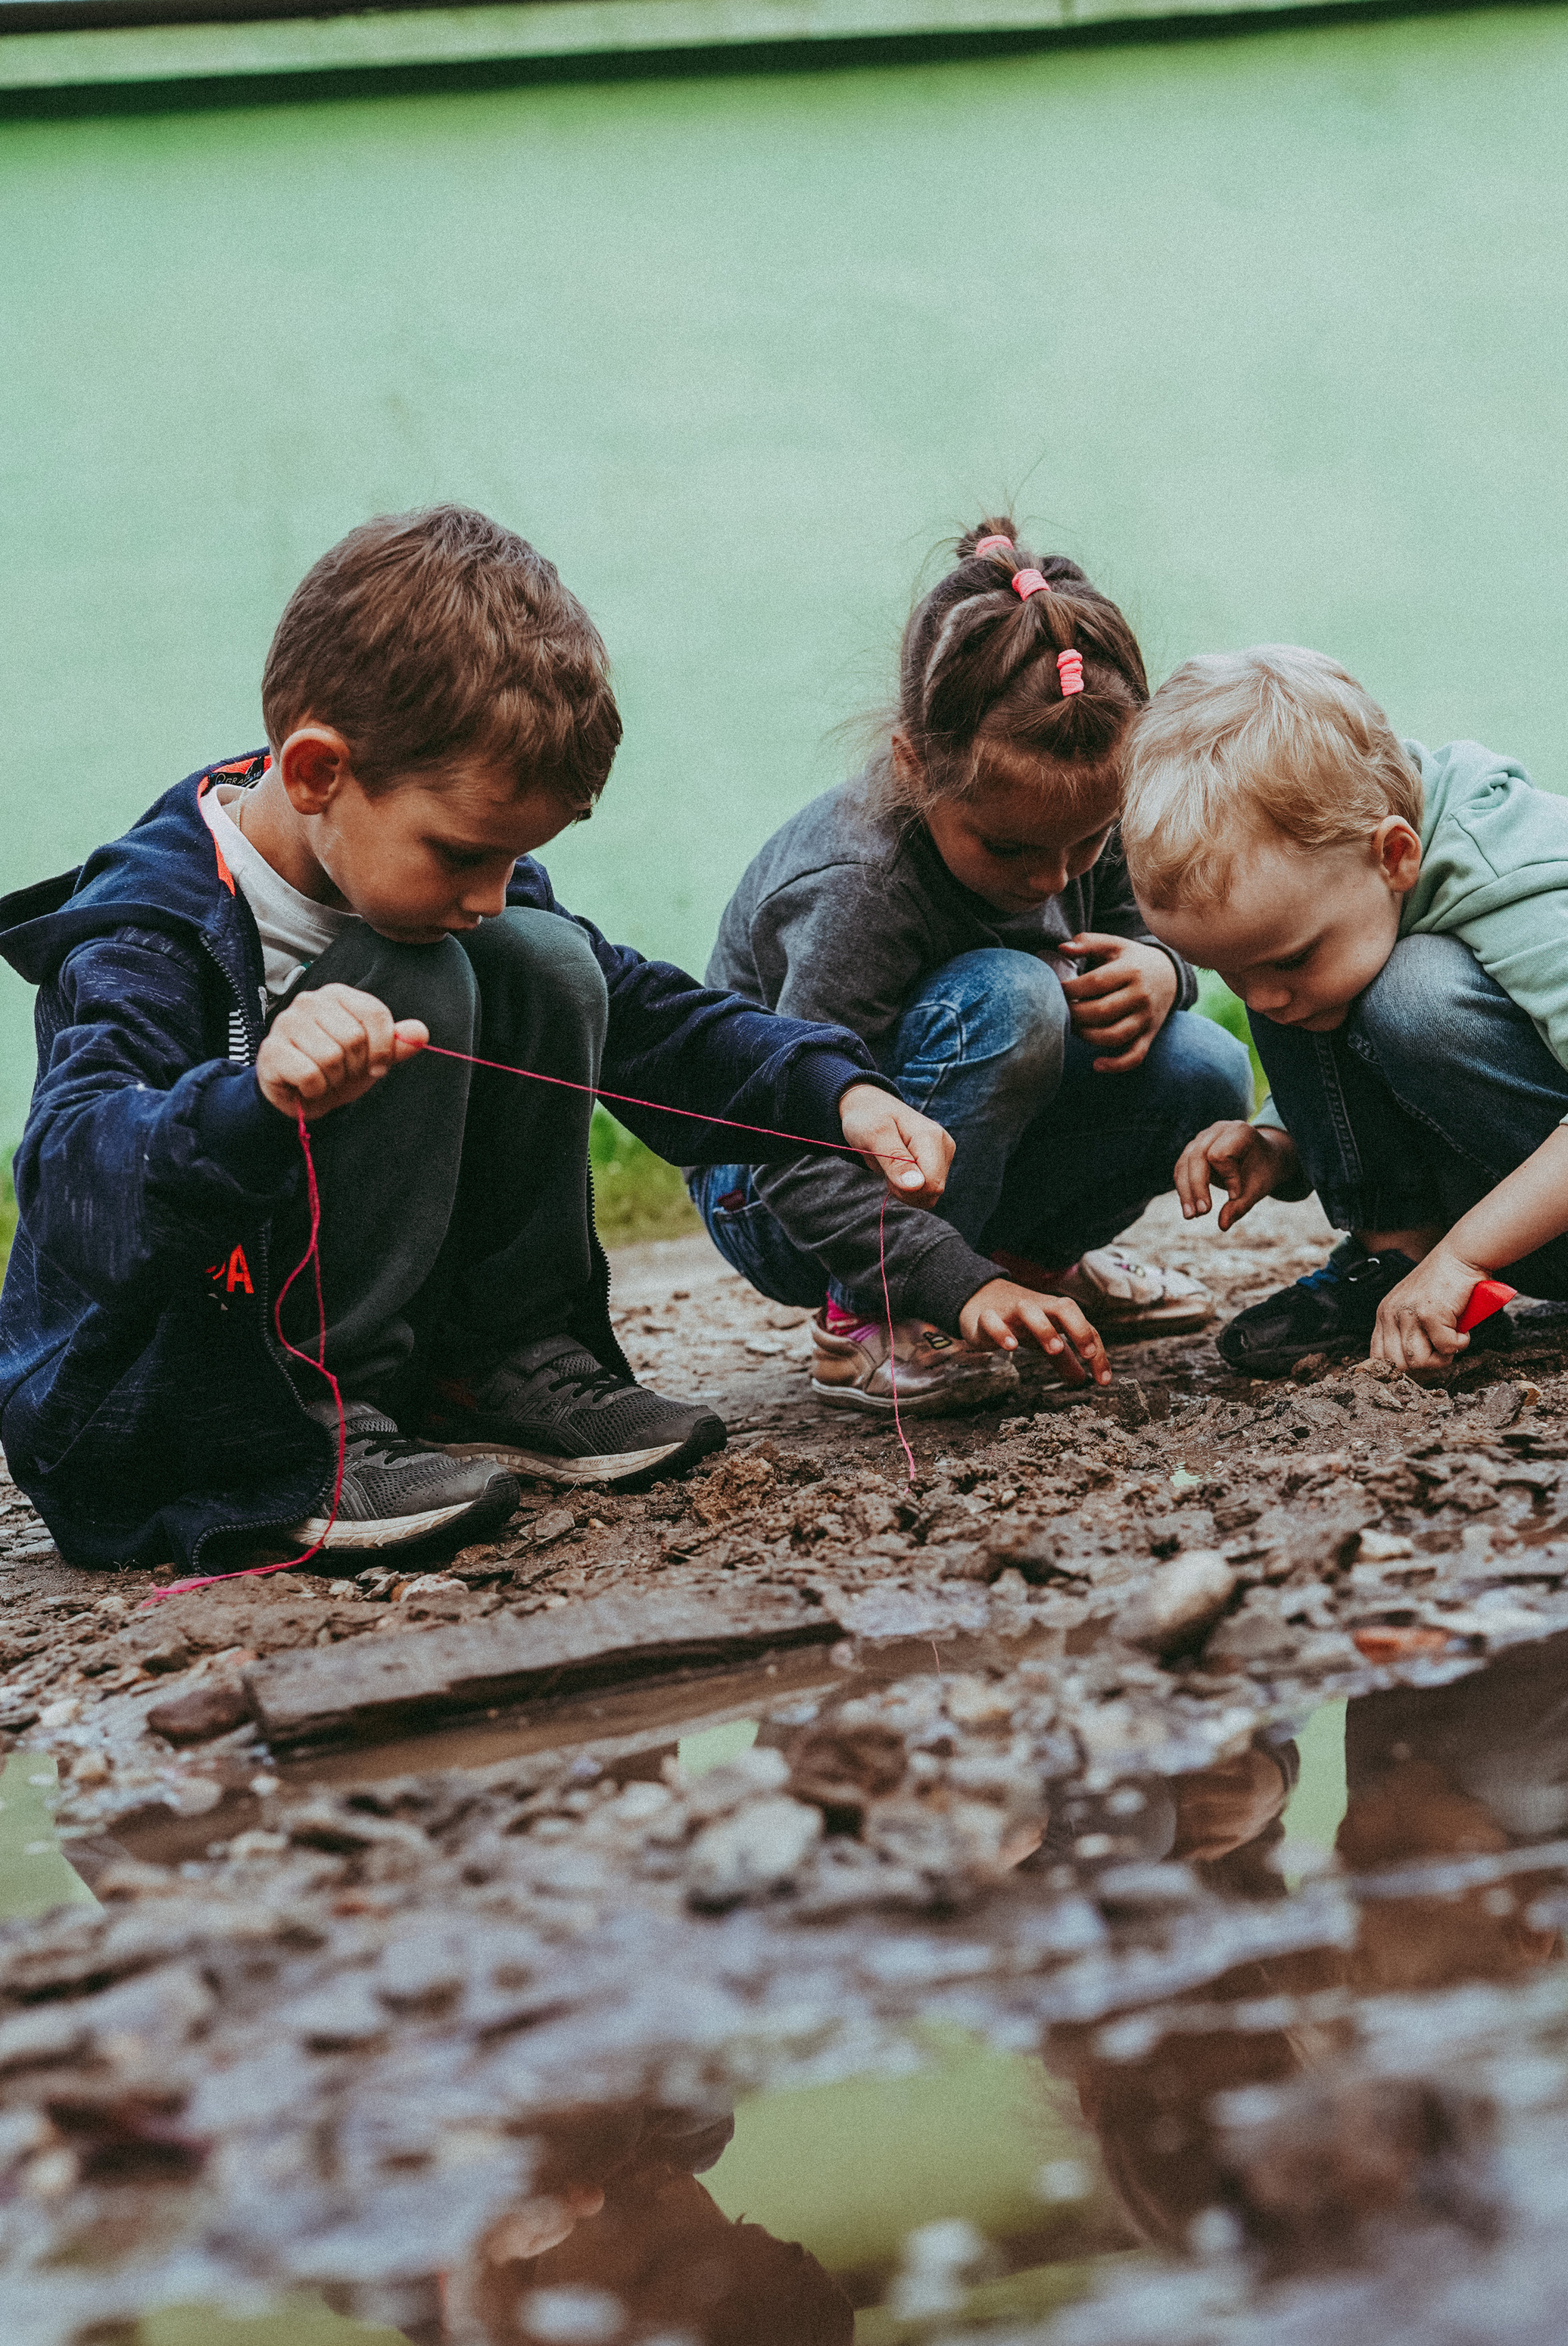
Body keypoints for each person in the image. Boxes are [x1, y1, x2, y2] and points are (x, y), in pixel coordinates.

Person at [0, 507, 948, 1573]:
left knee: (547, 958)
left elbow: (642, 1017)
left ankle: (499, 1366)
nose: (487, 895)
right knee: (417, 970)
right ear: (317, 772)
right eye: (462, 855)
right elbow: (75, 1175)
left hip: (377, 1352)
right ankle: (325, 1427)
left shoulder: (453, 886)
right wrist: (254, 1102)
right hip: (169, 1408)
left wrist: (835, 1096)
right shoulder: (148, 932)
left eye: (511, 859)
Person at [695, 517, 1255, 1417]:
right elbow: (790, 1145)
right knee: (1012, 997)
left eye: (1086, 843)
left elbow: (1139, 925)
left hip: (965, 1140)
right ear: (916, 769)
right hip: (778, 1189)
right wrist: (914, 1274)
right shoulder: (855, 887)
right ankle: (873, 1314)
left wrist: (1160, 970)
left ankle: (1028, 1273)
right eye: (1008, 849)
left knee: (1205, 1065)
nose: (1048, 878)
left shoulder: (1071, 810)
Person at [1123, 647, 1568, 1373]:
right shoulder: (1330, 898)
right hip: (1518, 1169)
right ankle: (1399, 1265)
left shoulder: (1501, 860)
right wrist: (1278, 1143)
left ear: (1395, 855)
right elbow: (1351, 1028)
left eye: (1285, 957)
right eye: (1224, 972)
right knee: (1327, 990)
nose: (1257, 998)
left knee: (1411, 988)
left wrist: (1466, 1256)